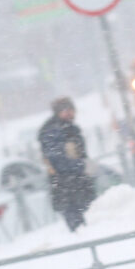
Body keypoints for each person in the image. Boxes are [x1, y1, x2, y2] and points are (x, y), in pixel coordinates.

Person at [37, 97, 95, 231]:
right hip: (66, 184)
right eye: (65, 110)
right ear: (58, 112)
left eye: (71, 110)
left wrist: (84, 164)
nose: (69, 113)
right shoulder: (52, 130)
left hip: (76, 183)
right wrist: (81, 165)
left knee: (87, 222)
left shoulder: (70, 128)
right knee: (78, 225)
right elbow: (57, 159)